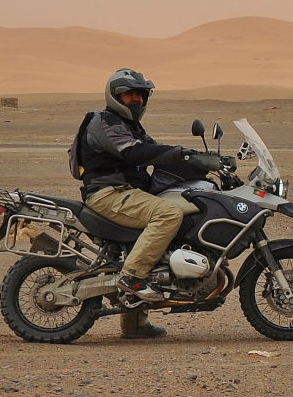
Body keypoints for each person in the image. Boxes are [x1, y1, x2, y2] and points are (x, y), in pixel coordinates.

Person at [74, 68, 221, 339]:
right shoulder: (105, 121)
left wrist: (197, 159)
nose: (136, 100)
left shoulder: (130, 126)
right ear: (115, 96)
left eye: (140, 95)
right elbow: (134, 152)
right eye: (129, 95)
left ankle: (135, 325)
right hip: (109, 194)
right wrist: (176, 152)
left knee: (146, 241)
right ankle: (131, 278)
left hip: (126, 193)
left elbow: (153, 149)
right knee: (168, 215)